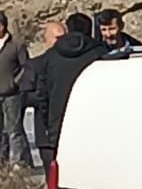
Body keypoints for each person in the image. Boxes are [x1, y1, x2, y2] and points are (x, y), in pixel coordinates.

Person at [34, 20, 106, 160]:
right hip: (92, 125)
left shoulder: (50, 57)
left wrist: (48, 124)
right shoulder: (99, 53)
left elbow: (42, 96)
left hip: (59, 126)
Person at [0, 11, 33, 166]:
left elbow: (25, 67)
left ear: (1, 27)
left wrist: (14, 83)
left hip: (11, 95)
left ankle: (18, 162)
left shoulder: (16, 45)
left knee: (14, 130)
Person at [26, 20, 65, 172]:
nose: (60, 43)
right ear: (45, 40)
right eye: (56, 38)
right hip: (46, 133)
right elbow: (25, 95)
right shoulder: (36, 65)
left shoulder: (74, 64)